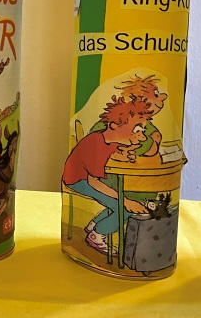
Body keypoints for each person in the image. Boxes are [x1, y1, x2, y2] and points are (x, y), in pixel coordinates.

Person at [62, 96, 150, 256]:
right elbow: (93, 182)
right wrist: (125, 201)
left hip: (86, 178)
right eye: (137, 129)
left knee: (122, 201)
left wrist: (124, 153)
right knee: (124, 208)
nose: (142, 136)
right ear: (115, 125)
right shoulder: (95, 143)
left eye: (142, 131)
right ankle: (96, 235)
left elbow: (114, 152)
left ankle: (93, 224)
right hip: (77, 180)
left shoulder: (106, 139)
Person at [90, 75, 167, 158]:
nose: (163, 97)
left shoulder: (142, 120)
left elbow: (150, 133)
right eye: (155, 95)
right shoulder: (128, 117)